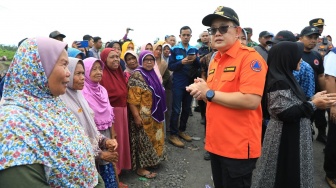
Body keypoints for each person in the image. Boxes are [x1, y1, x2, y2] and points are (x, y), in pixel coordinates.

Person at [0, 37, 101, 187]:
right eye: (64, 65)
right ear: (38, 67)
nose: (69, 73)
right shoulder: (11, 122)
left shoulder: (54, 104)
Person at [186, 6, 267, 187]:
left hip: (237, 147)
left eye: (223, 28)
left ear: (237, 31)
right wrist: (202, 90)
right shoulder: (215, 58)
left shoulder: (250, 59)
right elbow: (216, 96)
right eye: (213, 30)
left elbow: (251, 100)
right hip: (216, 143)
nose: (217, 33)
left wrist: (209, 92)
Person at [252, 41, 336, 188]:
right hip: (285, 139)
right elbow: (284, 112)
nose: (301, 60)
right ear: (286, 58)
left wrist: (312, 99)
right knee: (284, 175)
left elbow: (292, 104)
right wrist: (314, 104)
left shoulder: (286, 76)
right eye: (298, 56)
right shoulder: (279, 81)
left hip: (291, 135)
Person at [59, 57, 119, 188]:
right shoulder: (61, 102)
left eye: (82, 73)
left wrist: (105, 141)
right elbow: (72, 141)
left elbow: (90, 128)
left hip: (92, 154)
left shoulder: (78, 95)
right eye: (78, 73)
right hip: (79, 165)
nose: (82, 78)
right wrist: (101, 154)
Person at [127, 50, 167, 178]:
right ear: (141, 61)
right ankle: (141, 168)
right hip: (142, 116)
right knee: (142, 142)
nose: (149, 62)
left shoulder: (153, 73)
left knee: (155, 138)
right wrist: (136, 117)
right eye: (146, 60)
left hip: (154, 115)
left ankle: (153, 161)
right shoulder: (137, 76)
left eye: (151, 60)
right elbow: (132, 100)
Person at [82, 57, 118, 187]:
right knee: (96, 166)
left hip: (105, 134)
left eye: (100, 69)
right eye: (93, 69)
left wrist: (113, 134)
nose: (98, 72)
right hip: (90, 134)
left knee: (108, 164)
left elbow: (110, 112)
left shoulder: (102, 90)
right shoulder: (81, 92)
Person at [99, 48, 132, 175]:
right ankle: (114, 172)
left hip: (123, 112)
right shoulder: (102, 76)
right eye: (112, 57)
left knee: (122, 141)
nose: (116, 59)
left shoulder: (119, 73)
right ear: (104, 60)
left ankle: (120, 168)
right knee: (113, 141)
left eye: (117, 57)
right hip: (112, 115)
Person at [168, 26, 200, 148]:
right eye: (184, 35)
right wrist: (181, 62)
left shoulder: (193, 49)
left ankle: (182, 130)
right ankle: (173, 134)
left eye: (188, 35)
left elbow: (198, 66)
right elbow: (171, 66)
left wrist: (195, 59)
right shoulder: (175, 49)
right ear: (180, 36)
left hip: (190, 83)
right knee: (176, 109)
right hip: (178, 83)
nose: (186, 37)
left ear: (191, 36)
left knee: (187, 108)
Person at [299, 26, 327, 144]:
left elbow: (321, 75)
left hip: (316, 93)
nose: (313, 40)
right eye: (309, 37)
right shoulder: (296, 54)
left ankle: (321, 134)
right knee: (305, 119)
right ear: (301, 38)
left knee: (320, 116)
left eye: (315, 38)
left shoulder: (316, 55)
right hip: (301, 95)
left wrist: (325, 91)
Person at [323, 48, 336, 187]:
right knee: (334, 140)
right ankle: (331, 174)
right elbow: (330, 78)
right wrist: (334, 104)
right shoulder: (334, 54)